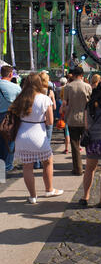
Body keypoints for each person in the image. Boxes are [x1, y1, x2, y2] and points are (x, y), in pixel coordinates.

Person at [11, 73, 63, 204]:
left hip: (22, 135)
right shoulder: (44, 99)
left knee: (27, 167)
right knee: (48, 161)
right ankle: (49, 189)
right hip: (38, 135)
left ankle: (33, 196)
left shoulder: (20, 98)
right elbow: (50, 122)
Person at [62, 66, 92, 175]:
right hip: (85, 119)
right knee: (89, 144)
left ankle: (77, 168)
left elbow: (65, 103)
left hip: (72, 118)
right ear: (82, 75)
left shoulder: (68, 87)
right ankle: (89, 166)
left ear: (73, 75)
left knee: (74, 145)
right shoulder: (87, 86)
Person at [0, 65, 21, 172]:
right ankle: (8, 166)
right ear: (10, 74)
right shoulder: (16, 87)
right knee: (9, 140)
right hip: (8, 117)